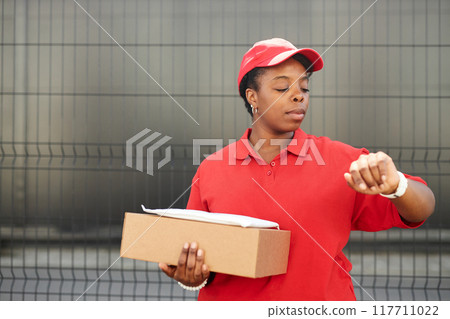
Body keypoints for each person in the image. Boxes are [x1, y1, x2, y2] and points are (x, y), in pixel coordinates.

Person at [159, 38, 435, 300]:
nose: (298, 97)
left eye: (304, 88)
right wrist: (192, 278)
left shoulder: (342, 161)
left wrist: (396, 185)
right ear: (252, 96)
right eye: (282, 88)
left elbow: (422, 207)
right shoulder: (212, 169)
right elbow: (197, 256)